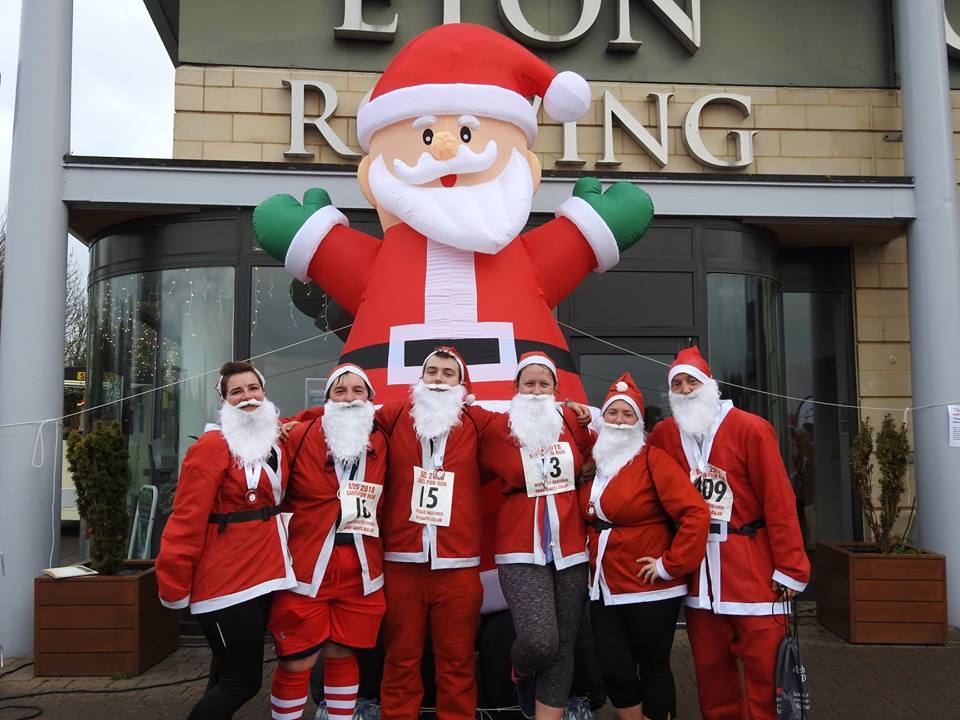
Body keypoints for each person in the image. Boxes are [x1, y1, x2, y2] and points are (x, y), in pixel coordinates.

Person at [647, 347, 811, 720]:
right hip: (699, 578)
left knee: (766, 674)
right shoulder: (665, 434)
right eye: (678, 383)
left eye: (692, 381)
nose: (685, 389)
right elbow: (629, 457)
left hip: (753, 572)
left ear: (710, 386)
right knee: (711, 675)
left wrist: (791, 569)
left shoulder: (751, 428)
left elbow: (779, 501)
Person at [156, 361, 296, 720]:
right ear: (224, 401)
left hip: (264, 576)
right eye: (237, 391)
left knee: (224, 673)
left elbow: (321, 417)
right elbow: (186, 519)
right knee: (242, 682)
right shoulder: (211, 446)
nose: (247, 397)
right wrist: (174, 582)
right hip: (223, 583)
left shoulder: (275, 440)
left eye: (253, 388)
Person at [375, 346, 498, 720]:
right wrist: (303, 419)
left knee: (457, 661)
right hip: (402, 563)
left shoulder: (477, 421)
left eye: (448, 374)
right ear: (420, 378)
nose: (439, 380)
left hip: (457, 566)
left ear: (462, 383)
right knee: (400, 660)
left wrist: (574, 418)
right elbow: (345, 414)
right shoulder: (396, 415)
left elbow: (526, 425)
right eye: (432, 372)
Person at [580, 373, 709, 720]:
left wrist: (670, 564)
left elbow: (695, 513)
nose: (619, 421)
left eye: (627, 415)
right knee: (614, 669)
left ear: (639, 422)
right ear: (602, 418)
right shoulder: (595, 465)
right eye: (612, 414)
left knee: (652, 669)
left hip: (650, 589)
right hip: (604, 587)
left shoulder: (654, 460)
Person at [267, 364, 388, 720]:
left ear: (370, 400)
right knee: (297, 659)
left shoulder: (382, 436)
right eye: (340, 391)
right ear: (327, 399)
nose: (349, 399)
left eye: (358, 391)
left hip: (362, 568)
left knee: (342, 652)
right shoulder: (301, 435)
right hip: (307, 565)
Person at [477, 352, 594, 720]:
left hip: (571, 549)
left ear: (556, 389)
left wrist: (585, 416)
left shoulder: (571, 421)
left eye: (545, 383)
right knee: (540, 641)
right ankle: (521, 671)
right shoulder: (498, 428)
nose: (537, 390)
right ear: (515, 388)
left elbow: (596, 454)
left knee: (563, 646)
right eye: (529, 383)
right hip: (518, 548)